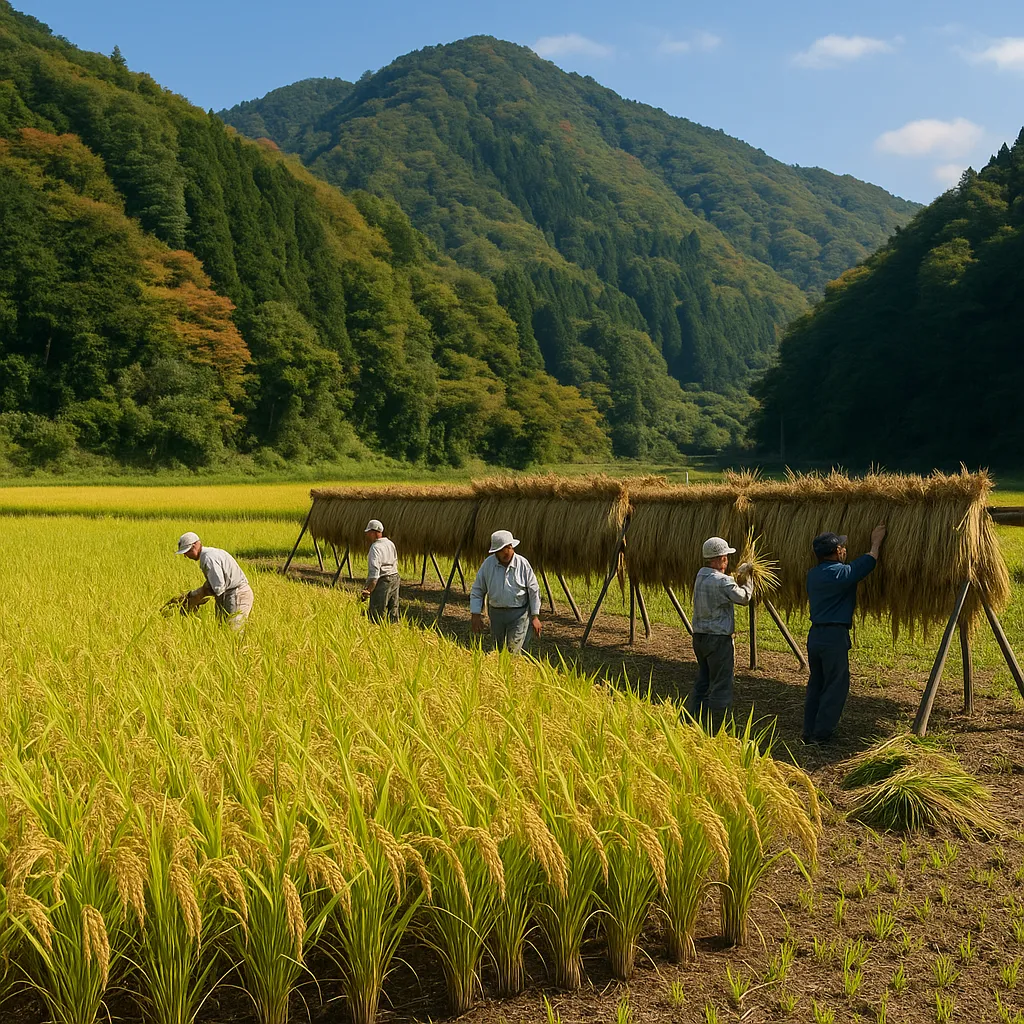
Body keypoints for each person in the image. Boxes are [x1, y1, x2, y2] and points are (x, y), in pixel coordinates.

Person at [804, 524, 887, 745]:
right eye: (842, 547)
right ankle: (821, 734)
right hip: (834, 637)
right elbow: (869, 560)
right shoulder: (841, 573)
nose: (844, 550)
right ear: (837, 551)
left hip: (815, 636)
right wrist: (876, 542)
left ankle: (809, 729)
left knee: (817, 682)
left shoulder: (813, 575)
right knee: (835, 685)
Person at [686, 536, 754, 732]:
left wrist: (733, 577)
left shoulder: (701, 575)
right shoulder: (723, 581)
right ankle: (714, 729)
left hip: (699, 638)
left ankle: (691, 720)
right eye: (725, 557)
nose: (727, 560)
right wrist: (748, 577)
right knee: (721, 685)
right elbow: (743, 598)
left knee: (704, 680)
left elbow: (722, 584)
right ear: (720, 559)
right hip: (718, 640)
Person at [470, 530, 542, 655]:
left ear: (512, 547)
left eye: (508, 548)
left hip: (518, 615)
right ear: (496, 552)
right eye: (502, 550)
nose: (506, 552)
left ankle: (512, 672)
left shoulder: (523, 564)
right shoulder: (488, 565)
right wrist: (475, 614)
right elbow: (477, 590)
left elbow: (534, 590)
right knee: (498, 650)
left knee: (512, 651)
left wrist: (535, 616)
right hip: (496, 614)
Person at [176, 531, 254, 632]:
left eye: (187, 552)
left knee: (233, 633)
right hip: (227, 594)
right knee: (221, 632)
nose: (186, 556)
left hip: (236, 594)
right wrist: (193, 596)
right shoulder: (210, 553)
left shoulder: (208, 558)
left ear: (196, 545)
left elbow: (218, 587)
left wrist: (196, 598)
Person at [361, 519, 400, 623]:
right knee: (393, 609)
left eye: (369, 533)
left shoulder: (375, 548)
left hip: (383, 581)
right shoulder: (390, 543)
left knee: (376, 612)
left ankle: (376, 633)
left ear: (374, 533)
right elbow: (395, 561)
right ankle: (393, 631)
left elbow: (374, 573)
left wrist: (368, 590)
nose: (367, 535)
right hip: (395, 578)